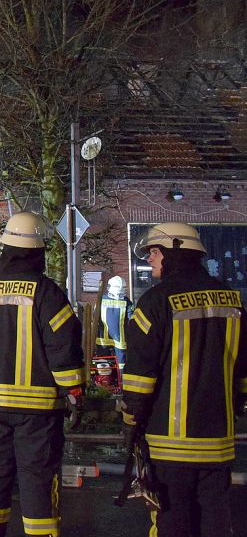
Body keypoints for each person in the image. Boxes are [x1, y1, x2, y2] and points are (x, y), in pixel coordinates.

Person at [0, 212, 85, 537]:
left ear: (6, 247)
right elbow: (64, 349)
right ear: (39, 250)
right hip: (38, 414)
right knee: (37, 480)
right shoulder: (46, 292)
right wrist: (76, 394)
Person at [122, 222, 246, 537]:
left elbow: (140, 372)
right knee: (216, 520)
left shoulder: (154, 301)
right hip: (219, 440)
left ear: (174, 252)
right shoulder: (232, 300)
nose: (149, 259)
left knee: (174, 522)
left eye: (154, 252)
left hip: (170, 442)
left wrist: (130, 421)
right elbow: (242, 366)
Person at [95, 275, 133, 387]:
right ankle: (121, 385)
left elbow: (94, 317)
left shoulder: (101, 300)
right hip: (120, 339)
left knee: (103, 362)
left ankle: (103, 385)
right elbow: (132, 319)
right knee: (121, 364)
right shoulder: (126, 302)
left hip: (102, 339)